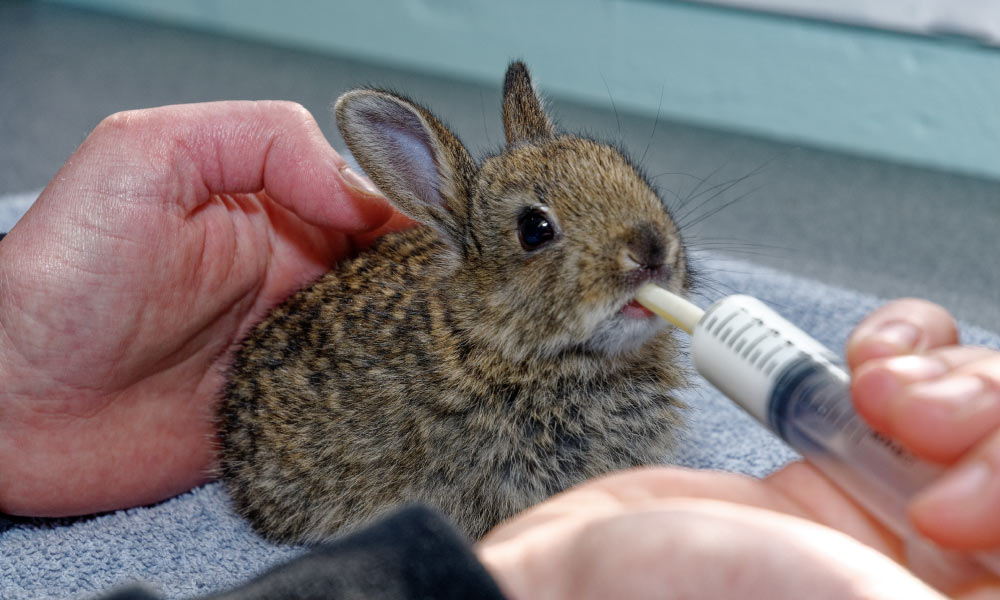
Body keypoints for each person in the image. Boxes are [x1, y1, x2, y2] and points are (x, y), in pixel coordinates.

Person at [0, 101, 997, 599]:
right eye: (540, 233)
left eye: (647, 232)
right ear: (471, 251)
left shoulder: (636, 354)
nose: (648, 257)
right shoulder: (454, 381)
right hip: (307, 473)